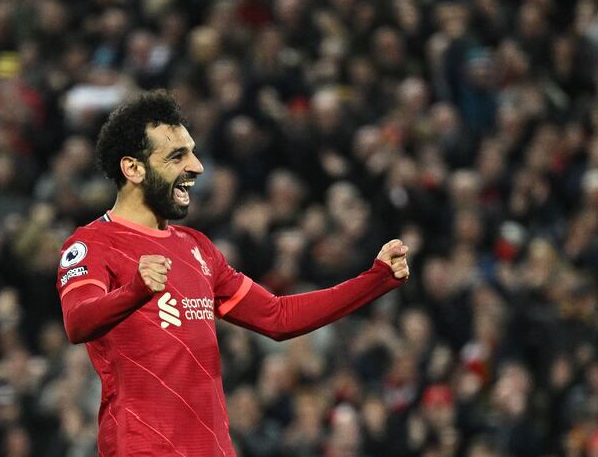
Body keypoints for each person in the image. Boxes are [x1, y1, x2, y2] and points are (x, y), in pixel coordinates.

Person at [55, 90, 410, 456]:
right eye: (177, 156)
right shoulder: (91, 244)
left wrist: (377, 278)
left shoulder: (197, 247)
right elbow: (78, 322)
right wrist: (134, 290)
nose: (196, 166)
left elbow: (278, 317)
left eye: (192, 151)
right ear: (133, 168)